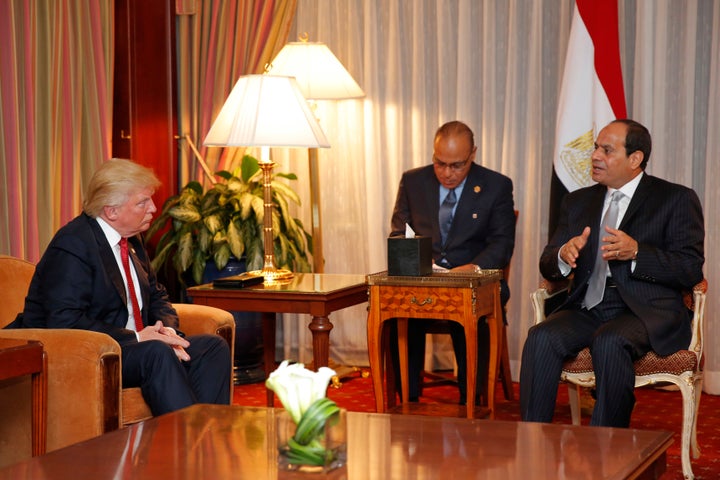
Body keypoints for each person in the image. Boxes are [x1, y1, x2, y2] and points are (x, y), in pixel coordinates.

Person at [520, 119, 704, 427]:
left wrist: (637, 253)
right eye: (596, 148)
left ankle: (606, 449)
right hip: (588, 306)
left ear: (635, 159)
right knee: (540, 337)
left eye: (607, 150)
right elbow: (547, 263)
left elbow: (689, 268)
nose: (594, 156)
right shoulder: (577, 201)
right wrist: (564, 256)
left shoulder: (675, 199)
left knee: (610, 341)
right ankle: (531, 442)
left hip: (644, 310)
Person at [13, 158, 232, 415]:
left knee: (211, 347)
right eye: (142, 202)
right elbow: (64, 320)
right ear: (111, 211)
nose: (153, 208)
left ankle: (207, 434)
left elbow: (157, 294)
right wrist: (138, 337)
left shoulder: (131, 239)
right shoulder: (73, 245)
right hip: (92, 354)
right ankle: (187, 447)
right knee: (155, 353)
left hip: (134, 348)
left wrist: (169, 332)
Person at [389, 120, 516, 404]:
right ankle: (406, 398)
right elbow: (399, 232)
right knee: (394, 305)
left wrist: (473, 269)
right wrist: (418, 262)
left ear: (473, 154)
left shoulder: (496, 186)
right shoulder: (413, 181)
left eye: (457, 165)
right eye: (440, 163)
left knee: (473, 306)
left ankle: (472, 397)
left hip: (474, 278)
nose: (447, 173)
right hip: (426, 280)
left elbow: (502, 243)